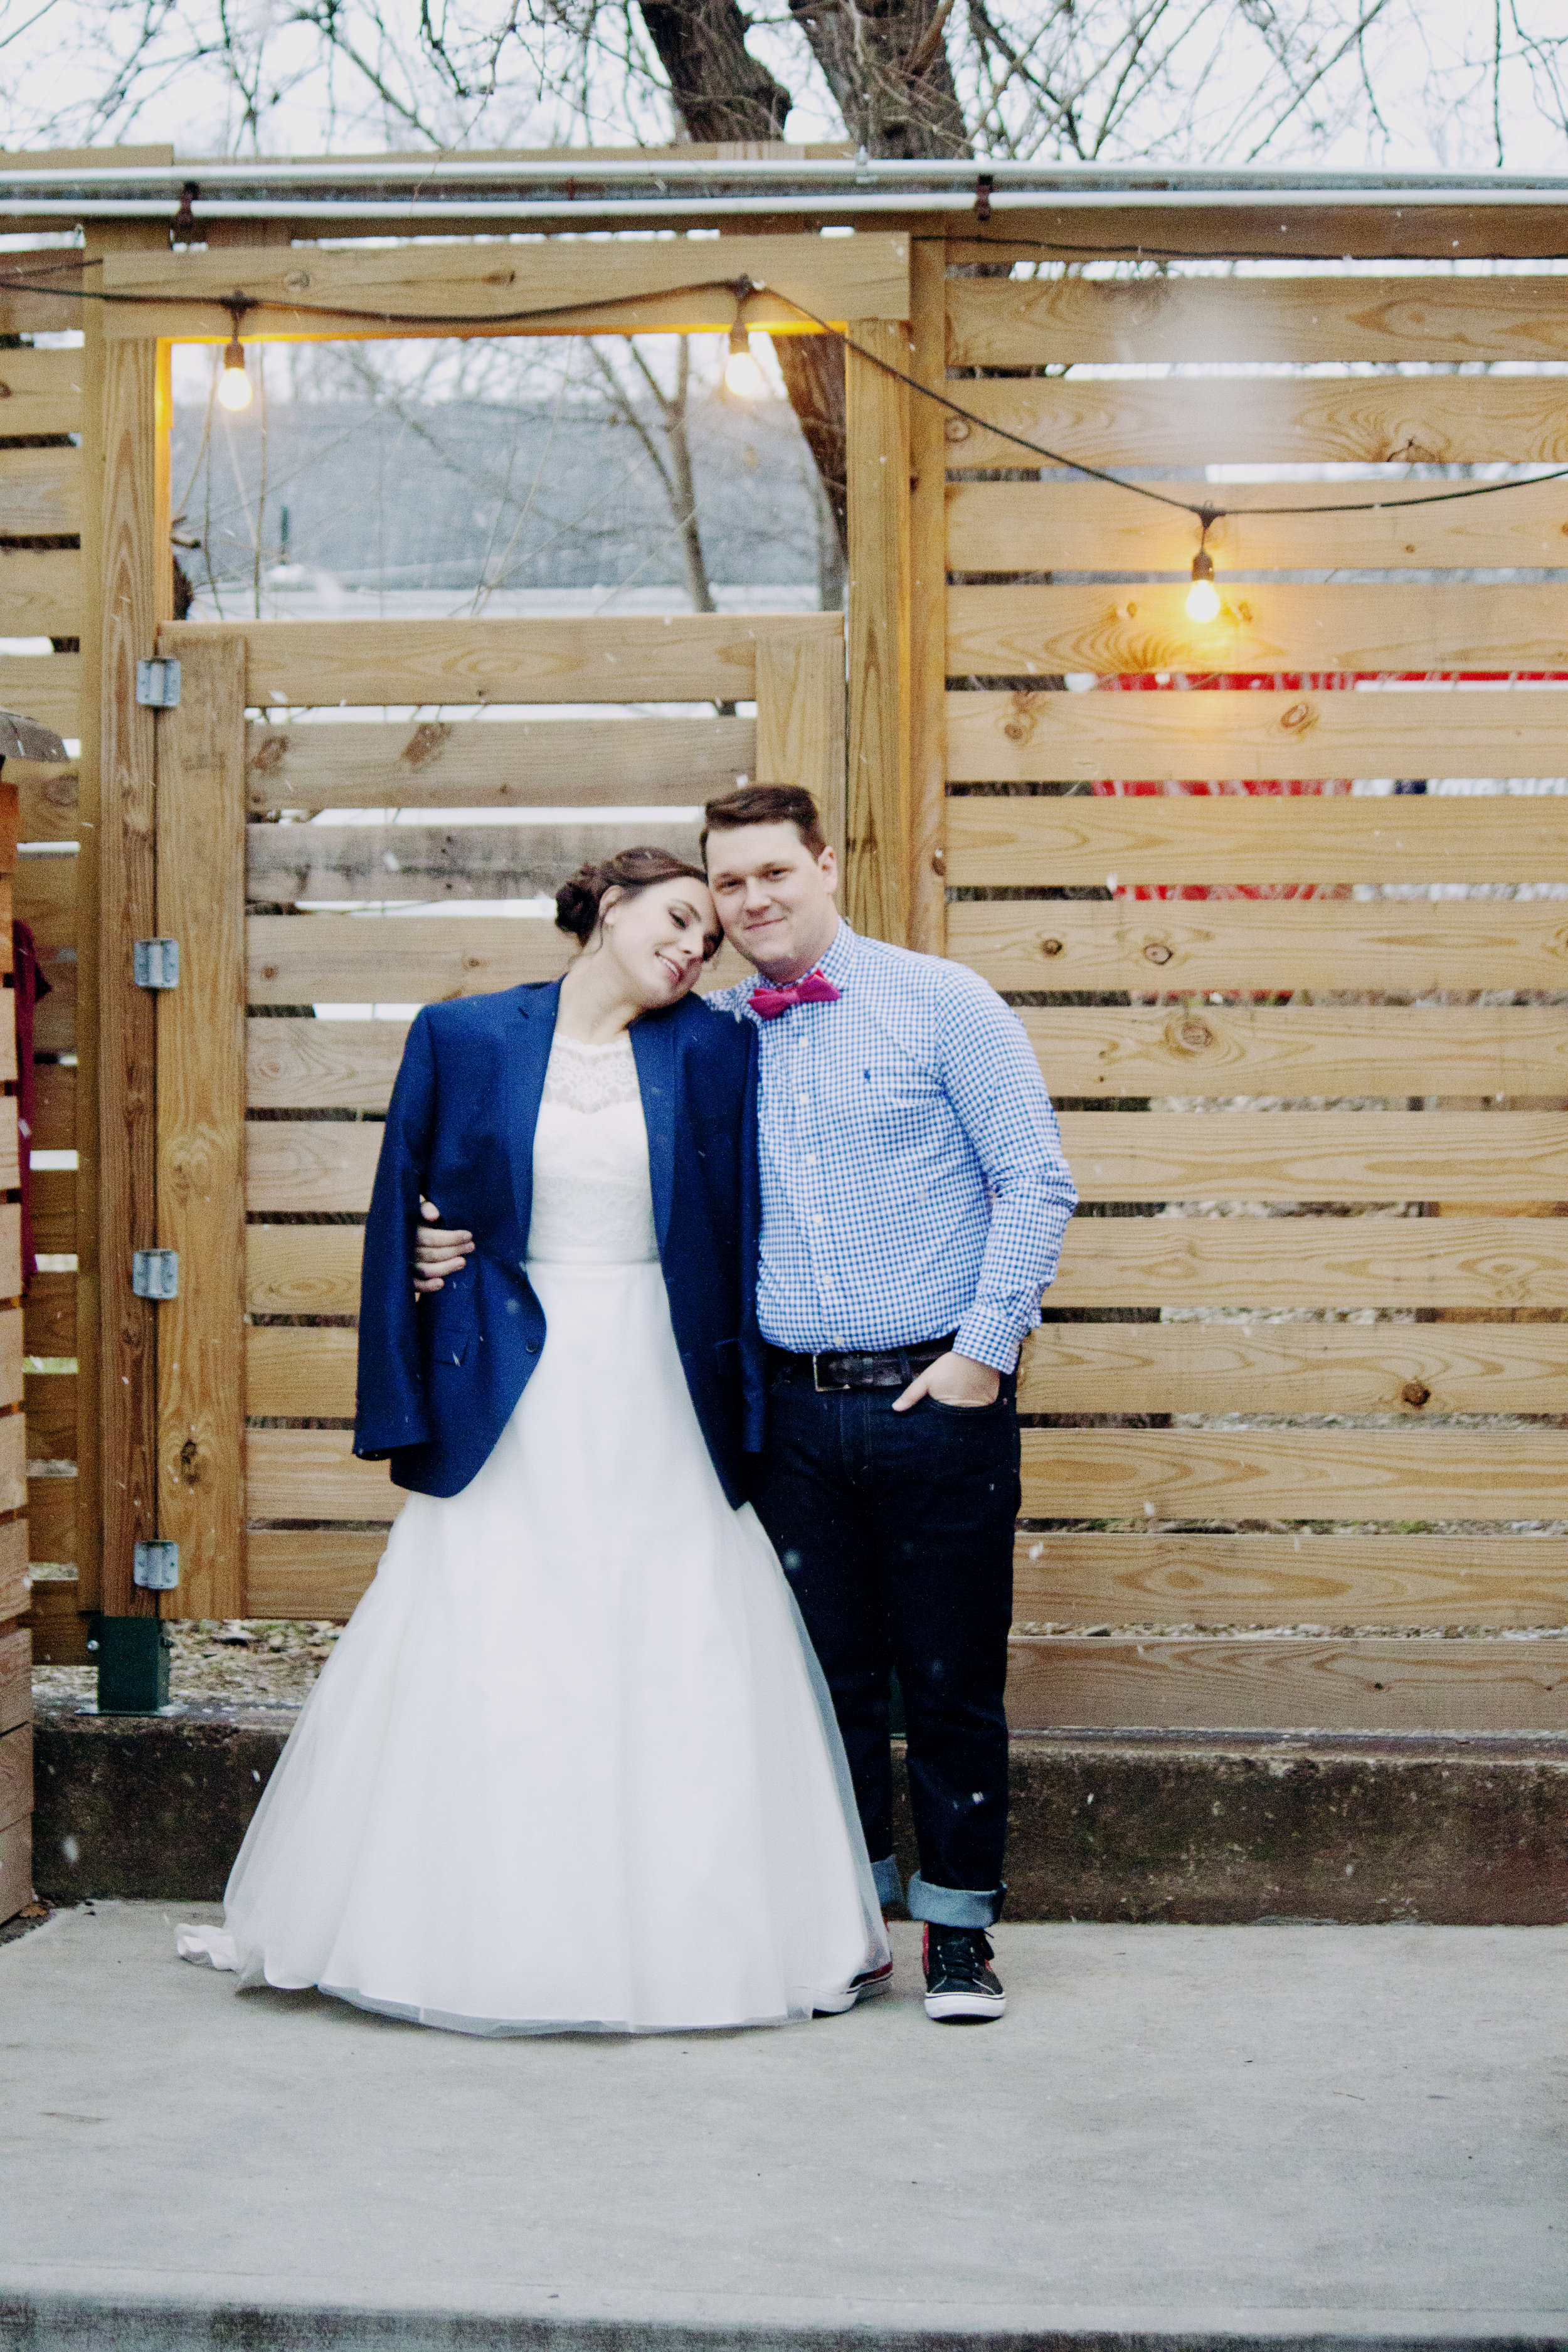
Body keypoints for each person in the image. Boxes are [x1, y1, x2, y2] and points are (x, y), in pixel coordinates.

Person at [178, 846, 889, 2035]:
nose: (688, 949)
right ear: (606, 911)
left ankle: (691, 1936)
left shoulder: (717, 1046)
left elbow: (754, 1208)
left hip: (665, 1378)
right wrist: (416, 1273)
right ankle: (463, 1928)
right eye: (673, 920)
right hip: (510, 1379)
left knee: (680, 1636)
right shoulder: (462, 1035)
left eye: (703, 942)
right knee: (491, 1626)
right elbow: (401, 1200)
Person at [418, 790, 1078, 2025]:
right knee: (809, 1685)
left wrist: (983, 1353)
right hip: (782, 1414)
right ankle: (842, 1923)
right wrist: (437, 1243)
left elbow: (1034, 1181)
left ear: (825, 864)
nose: (752, 901)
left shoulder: (945, 1001)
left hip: (934, 1395)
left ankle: (955, 1933)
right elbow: (568, 1120)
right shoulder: (703, 1034)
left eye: (774, 871)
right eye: (728, 885)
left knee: (946, 1678)